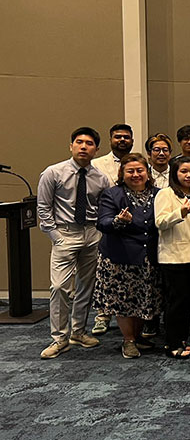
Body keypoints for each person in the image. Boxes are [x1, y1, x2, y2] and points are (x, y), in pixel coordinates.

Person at [37, 127, 110, 358]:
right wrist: (56, 237)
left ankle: (78, 332)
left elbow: (106, 208)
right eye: (79, 142)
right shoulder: (53, 172)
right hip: (65, 234)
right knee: (59, 287)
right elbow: (43, 207)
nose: (83, 147)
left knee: (86, 287)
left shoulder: (101, 178)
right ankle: (59, 339)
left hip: (91, 234)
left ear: (96, 149)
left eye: (89, 143)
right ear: (71, 146)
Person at [93, 153, 161, 359]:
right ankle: (128, 340)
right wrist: (118, 221)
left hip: (149, 258)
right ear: (122, 174)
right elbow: (102, 223)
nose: (136, 175)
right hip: (120, 259)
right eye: (130, 171)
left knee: (143, 300)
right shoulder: (112, 194)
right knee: (124, 302)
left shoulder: (159, 194)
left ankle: (137, 336)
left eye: (140, 170)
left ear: (148, 173)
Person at [155, 157, 190, 358]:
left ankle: (182, 340)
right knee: (176, 303)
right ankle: (172, 344)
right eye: (184, 171)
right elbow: (159, 222)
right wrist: (180, 212)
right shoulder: (165, 194)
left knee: (188, 303)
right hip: (174, 257)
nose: (188, 175)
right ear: (175, 173)